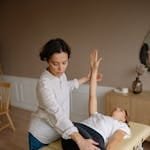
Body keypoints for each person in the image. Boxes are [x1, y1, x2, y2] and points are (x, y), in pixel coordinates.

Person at [28, 38, 100, 150]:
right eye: (55, 63)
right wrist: (80, 140)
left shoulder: (61, 75)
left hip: (59, 132)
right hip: (41, 135)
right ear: (47, 60)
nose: (61, 68)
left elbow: (66, 86)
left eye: (64, 63)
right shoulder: (44, 85)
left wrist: (87, 78)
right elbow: (57, 114)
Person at [61, 50, 131, 150]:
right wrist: (94, 70)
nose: (117, 107)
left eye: (121, 110)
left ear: (124, 119)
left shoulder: (122, 126)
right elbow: (92, 95)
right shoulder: (97, 115)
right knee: (67, 125)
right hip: (76, 130)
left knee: (69, 127)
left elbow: (116, 140)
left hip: (93, 137)